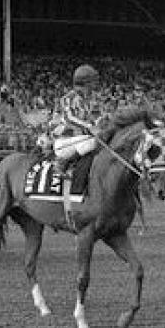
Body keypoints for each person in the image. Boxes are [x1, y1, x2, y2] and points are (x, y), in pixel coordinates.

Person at [49, 64, 103, 220]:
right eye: (93, 81)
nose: (95, 85)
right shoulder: (68, 98)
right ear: (85, 82)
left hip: (78, 140)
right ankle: (61, 162)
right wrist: (90, 127)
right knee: (94, 142)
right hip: (62, 140)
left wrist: (100, 122)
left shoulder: (86, 101)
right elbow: (69, 118)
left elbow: (90, 121)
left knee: (97, 141)